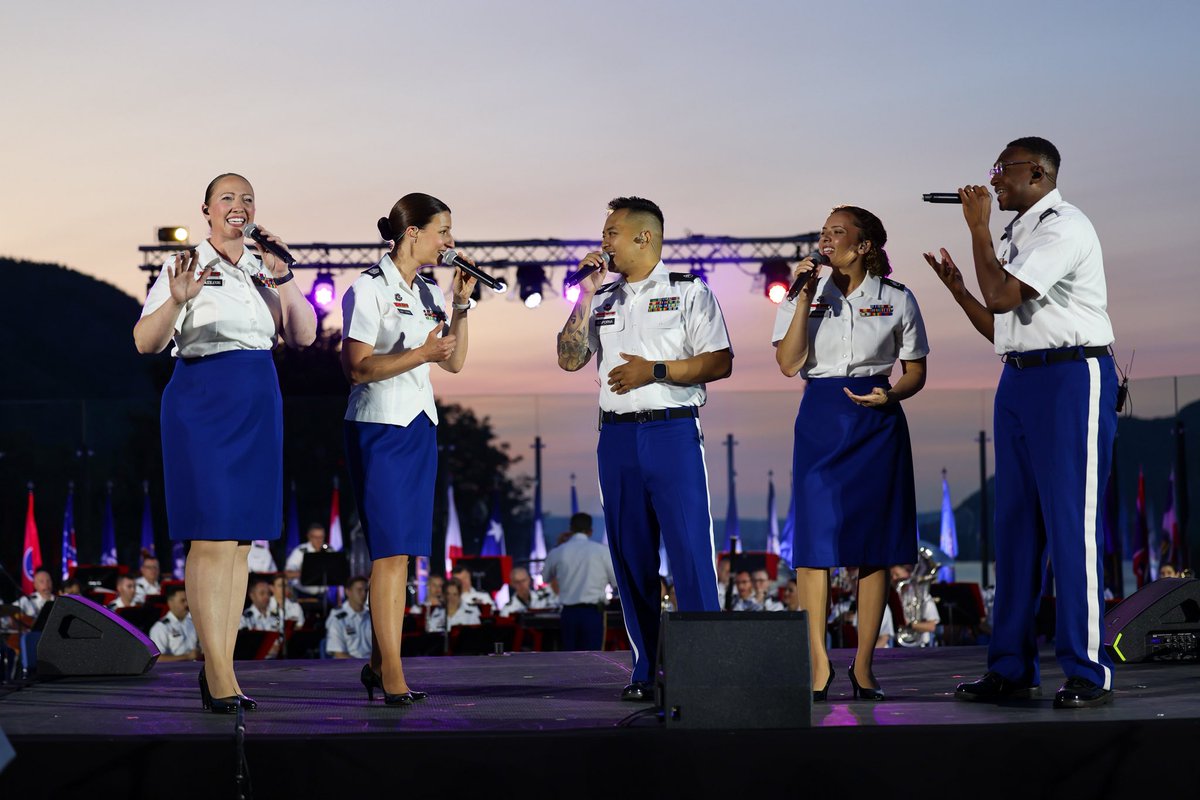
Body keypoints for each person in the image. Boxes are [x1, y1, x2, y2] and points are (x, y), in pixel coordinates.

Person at [926, 137, 1118, 709]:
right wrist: (961, 289)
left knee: (1069, 526)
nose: (993, 179)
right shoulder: (1020, 233)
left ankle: (1087, 670)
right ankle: (1011, 667)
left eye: (1001, 170)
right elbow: (1002, 327)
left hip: (1069, 377)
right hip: (1019, 376)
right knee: (1016, 529)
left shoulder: (1063, 226)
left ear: (1036, 172)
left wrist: (977, 228)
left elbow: (1005, 295)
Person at [133, 172, 317, 713]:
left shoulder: (265, 266)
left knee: (240, 545)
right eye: (227, 198)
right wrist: (176, 301)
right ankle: (215, 674)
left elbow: (303, 335)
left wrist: (285, 277)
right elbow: (145, 341)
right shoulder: (183, 264)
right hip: (202, 399)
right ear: (208, 210)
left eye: (248, 198)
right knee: (210, 538)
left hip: (258, 397)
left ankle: (225, 668)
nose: (239, 206)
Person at [556, 197, 733, 701]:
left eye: (612, 232)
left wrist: (653, 370)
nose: (603, 241)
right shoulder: (604, 297)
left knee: (690, 553)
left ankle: (706, 668)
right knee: (630, 555)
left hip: (671, 432)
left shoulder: (688, 291)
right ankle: (645, 667)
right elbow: (570, 360)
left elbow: (719, 361)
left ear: (644, 238)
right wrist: (583, 297)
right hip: (615, 437)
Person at [773, 205, 928, 702]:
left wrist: (894, 395)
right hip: (821, 416)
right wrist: (801, 298)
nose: (826, 239)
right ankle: (818, 664)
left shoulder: (897, 298)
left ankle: (863, 666)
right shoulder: (804, 291)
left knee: (874, 543)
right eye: (823, 231)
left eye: (838, 232)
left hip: (877, 417)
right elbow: (788, 363)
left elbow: (915, 371)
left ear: (863, 246)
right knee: (814, 543)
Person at [341, 192, 476, 706]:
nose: (451, 241)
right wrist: (420, 351)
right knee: (390, 552)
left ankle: (380, 663)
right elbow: (357, 367)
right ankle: (393, 671)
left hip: (419, 425)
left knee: (406, 553)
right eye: (444, 231)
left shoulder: (425, 290)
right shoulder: (369, 287)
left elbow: (455, 362)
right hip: (378, 427)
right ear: (412, 232)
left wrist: (460, 307)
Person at [542, 515, 617, 651]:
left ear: (570, 529)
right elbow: (616, 582)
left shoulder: (558, 551)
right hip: (593, 613)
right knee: (593, 658)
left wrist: (559, 545)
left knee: (570, 659)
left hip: (568, 613)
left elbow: (545, 578)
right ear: (590, 531)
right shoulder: (602, 551)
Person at [890, 564, 940, 647]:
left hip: (921, 646)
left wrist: (909, 624)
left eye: (897, 575)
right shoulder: (890, 597)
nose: (894, 578)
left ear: (907, 574)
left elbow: (931, 626)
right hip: (896, 644)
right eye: (891, 576)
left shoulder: (922, 595)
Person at [325, 577, 373, 659]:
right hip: (349, 666)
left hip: (372, 666)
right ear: (348, 592)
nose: (364, 594)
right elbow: (339, 654)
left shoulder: (371, 617)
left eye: (366, 590)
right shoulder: (338, 619)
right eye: (359, 590)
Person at [149, 585, 199, 663]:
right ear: (170, 603)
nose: (187, 604)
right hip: (173, 672)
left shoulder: (192, 622)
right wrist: (187, 657)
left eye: (187, 600)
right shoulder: (161, 627)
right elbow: (157, 659)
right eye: (182, 601)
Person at [286, 524, 330, 598]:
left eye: (321, 537)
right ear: (309, 537)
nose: (319, 540)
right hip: (302, 595)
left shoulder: (329, 549)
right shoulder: (300, 551)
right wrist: (308, 573)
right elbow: (288, 573)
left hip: (323, 596)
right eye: (316, 537)